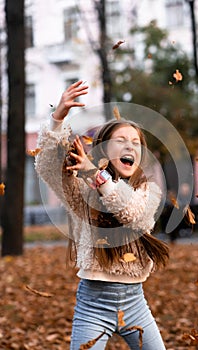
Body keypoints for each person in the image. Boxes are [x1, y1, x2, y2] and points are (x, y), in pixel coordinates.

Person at [35, 80, 169, 350]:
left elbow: (134, 214)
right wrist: (58, 118)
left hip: (135, 303)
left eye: (135, 143)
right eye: (120, 141)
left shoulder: (148, 191)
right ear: (104, 149)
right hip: (94, 304)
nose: (130, 146)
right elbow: (47, 166)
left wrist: (95, 175)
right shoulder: (83, 192)